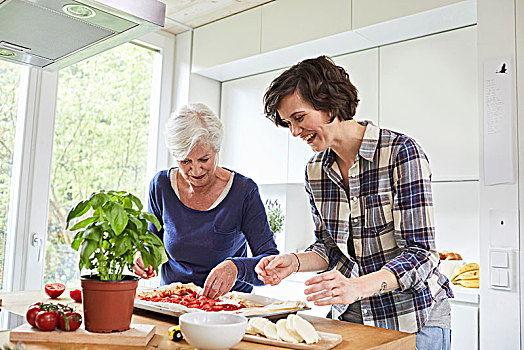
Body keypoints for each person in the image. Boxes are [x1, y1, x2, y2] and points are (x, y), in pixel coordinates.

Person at [255, 56, 453, 349]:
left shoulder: (400, 153)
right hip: (350, 318)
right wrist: (294, 263)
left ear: (329, 103)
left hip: (412, 319)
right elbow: (328, 247)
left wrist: (356, 287)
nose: (294, 132)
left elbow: (421, 253)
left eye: (298, 118)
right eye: (288, 123)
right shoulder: (315, 171)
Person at [133, 103, 279, 299]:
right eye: (185, 161)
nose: (195, 170)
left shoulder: (244, 191)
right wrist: (144, 258)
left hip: (228, 305)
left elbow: (271, 263)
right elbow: (151, 243)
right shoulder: (161, 185)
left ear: (216, 149)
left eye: (204, 159)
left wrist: (236, 267)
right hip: (172, 301)